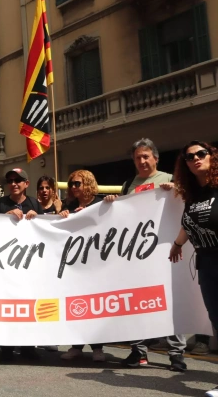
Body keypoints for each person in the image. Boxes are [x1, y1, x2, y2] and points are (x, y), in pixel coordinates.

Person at [104, 139, 186, 369]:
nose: (142, 161)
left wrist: (176, 191)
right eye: (137, 157)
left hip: (164, 249)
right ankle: (138, 351)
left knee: (170, 299)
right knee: (136, 300)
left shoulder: (170, 179)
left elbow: (186, 203)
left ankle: (176, 353)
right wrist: (112, 202)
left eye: (146, 156)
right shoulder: (128, 185)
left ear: (155, 158)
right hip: (136, 253)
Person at [170, 141, 218, 397]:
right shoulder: (192, 194)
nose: (196, 158)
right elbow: (189, 224)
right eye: (190, 157)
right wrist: (177, 244)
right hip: (206, 262)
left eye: (201, 153)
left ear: (211, 156)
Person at [0, 168, 42, 361]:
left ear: (26, 184)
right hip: (7, 263)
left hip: (30, 264)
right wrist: (5, 216)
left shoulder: (34, 203)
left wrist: (37, 217)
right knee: (9, 304)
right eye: (10, 181)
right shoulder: (0, 204)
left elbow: (45, 229)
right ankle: (7, 347)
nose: (13, 184)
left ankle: (29, 347)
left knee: (28, 304)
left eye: (18, 180)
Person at [58, 170, 107, 363]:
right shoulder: (69, 205)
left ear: (87, 183)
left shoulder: (101, 203)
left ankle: (98, 348)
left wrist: (88, 215)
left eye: (77, 183)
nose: (73, 187)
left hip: (96, 261)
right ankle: (76, 346)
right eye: (71, 184)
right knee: (77, 304)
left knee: (95, 306)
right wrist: (63, 215)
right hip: (75, 263)